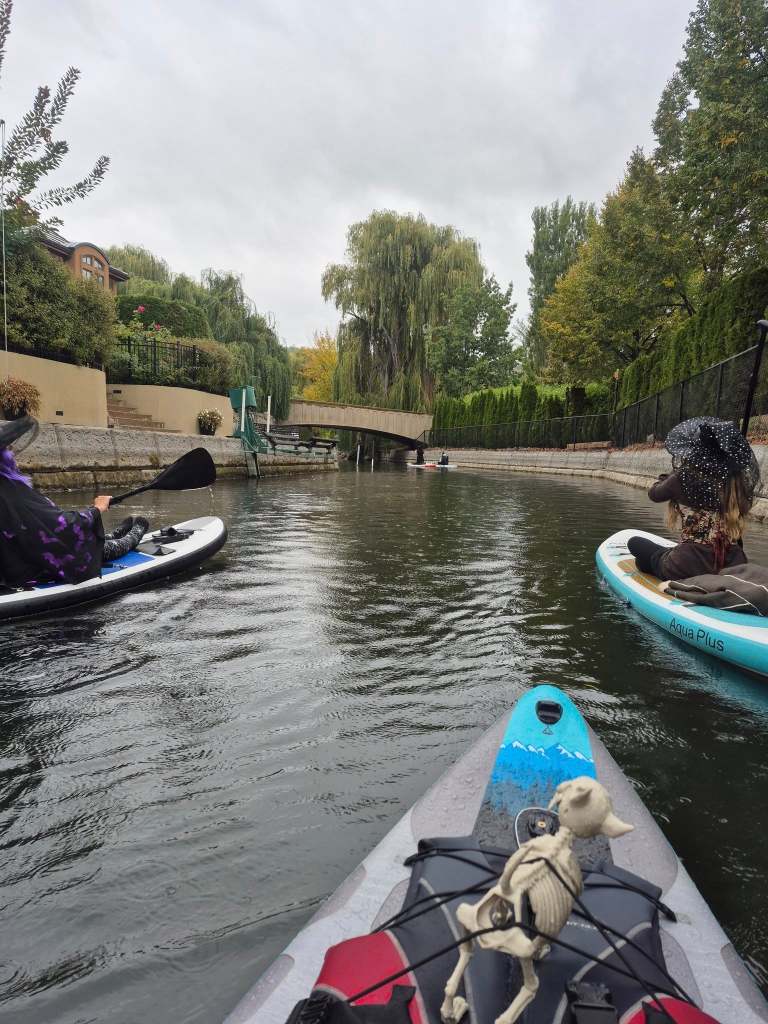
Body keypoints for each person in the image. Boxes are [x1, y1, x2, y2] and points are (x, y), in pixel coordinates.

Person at [0, 416, 149, 589]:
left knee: (99, 539)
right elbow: (61, 525)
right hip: (36, 566)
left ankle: (115, 534)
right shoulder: (12, 492)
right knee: (100, 549)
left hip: (16, 560)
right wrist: (97, 509)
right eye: (7, 450)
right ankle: (136, 532)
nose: (12, 453)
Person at [626, 417, 759, 581]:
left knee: (636, 546)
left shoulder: (683, 477)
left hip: (686, 564)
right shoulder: (736, 481)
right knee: (654, 556)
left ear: (697, 448)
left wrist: (669, 476)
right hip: (733, 564)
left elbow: (654, 494)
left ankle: (660, 562)